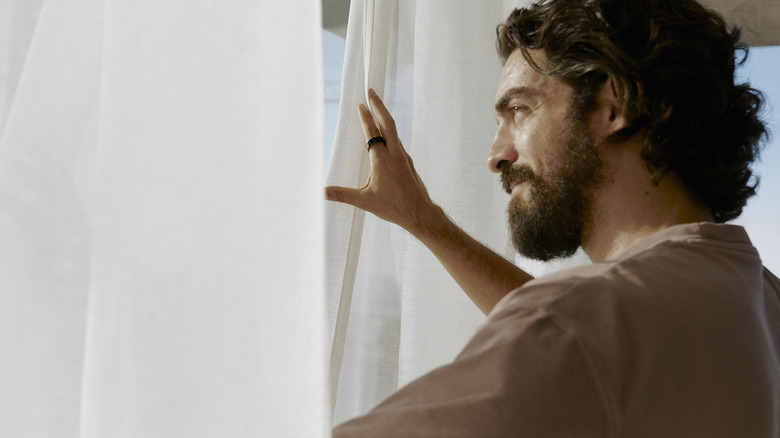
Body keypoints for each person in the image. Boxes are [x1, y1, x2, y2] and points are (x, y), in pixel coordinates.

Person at [326, 0, 780, 435]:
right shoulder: (753, 296)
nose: (494, 156)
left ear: (612, 106)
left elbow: (573, 333)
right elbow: (596, 345)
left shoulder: (581, 324)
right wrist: (426, 222)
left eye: (519, 109)